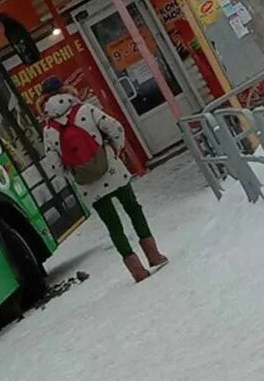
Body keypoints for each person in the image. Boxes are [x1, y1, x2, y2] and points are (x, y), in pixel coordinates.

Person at [39, 77, 168, 282]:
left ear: (44, 101)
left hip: (89, 185)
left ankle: (137, 271)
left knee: (113, 226)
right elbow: (116, 128)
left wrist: (76, 172)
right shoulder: (85, 110)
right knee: (134, 209)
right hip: (112, 171)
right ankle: (153, 255)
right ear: (66, 90)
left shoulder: (49, 130)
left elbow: (54, 166)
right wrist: (115, 150)